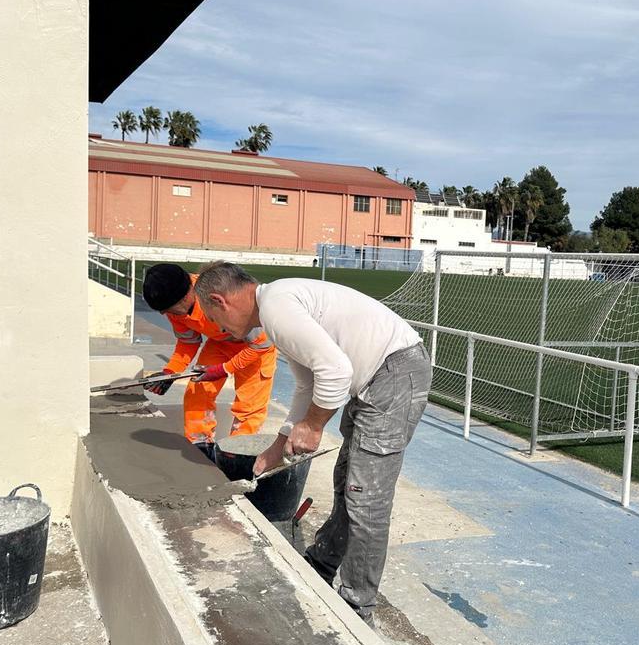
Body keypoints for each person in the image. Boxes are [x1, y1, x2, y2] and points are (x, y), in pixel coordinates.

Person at [194, 262, 430, 626]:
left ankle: (357, 608)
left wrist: (314, 425)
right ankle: (322, 562)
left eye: (216, 320)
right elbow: (308, 385)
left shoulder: (276, 308)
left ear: (219, 300)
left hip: (393, 374)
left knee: (365, 496)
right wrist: (279, 444)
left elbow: (335, 371)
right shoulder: (277, 307)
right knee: (348, 481)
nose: (221, 330)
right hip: (380, 377)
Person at [141, 263, 276, 463]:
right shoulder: (173, 306)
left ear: (188, 294)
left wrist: (223, 369)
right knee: (197, 391)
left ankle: (237, 455)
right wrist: (170, 372)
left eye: (170, 309)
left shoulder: (217, 292)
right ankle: (200, 446)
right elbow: (188, 341)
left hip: (255, 349)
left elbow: (261, 343)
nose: (167, 315)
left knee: (249, 407)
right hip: (220, 344)